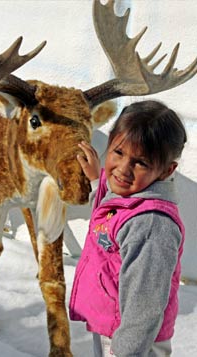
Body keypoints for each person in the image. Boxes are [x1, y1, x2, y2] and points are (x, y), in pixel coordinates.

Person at [69, 100, 187, 356]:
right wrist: (94, 181)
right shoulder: (130, 198)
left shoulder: (151, 224)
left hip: (133, 342)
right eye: (118, 153)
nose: (123, 170)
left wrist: (125, 351)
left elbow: (145, 307)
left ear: (167, 170)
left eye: (141, 162)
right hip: (114, 326)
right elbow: (110, 218)